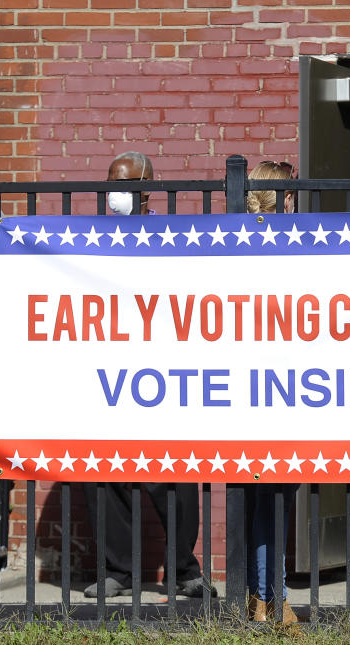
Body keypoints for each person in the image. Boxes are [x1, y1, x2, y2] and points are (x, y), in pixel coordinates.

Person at [82, 152, 212, 600]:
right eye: (110, 180)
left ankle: (183, 570)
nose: (115, 191)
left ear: (147, 188)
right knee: (106, 470)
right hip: (109, 369)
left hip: (162, 369)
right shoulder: (89, 237)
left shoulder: (169, 234)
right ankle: (119, 570)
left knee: (173, 471)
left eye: (124, 182)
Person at [245, 160, 301, 623]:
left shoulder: (235, 239)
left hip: (264, 385)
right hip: (274, 387)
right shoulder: (287, 242)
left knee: (264, 494)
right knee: (273, 494)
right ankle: (273, 598)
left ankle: (262, 598)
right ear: (284, 198)